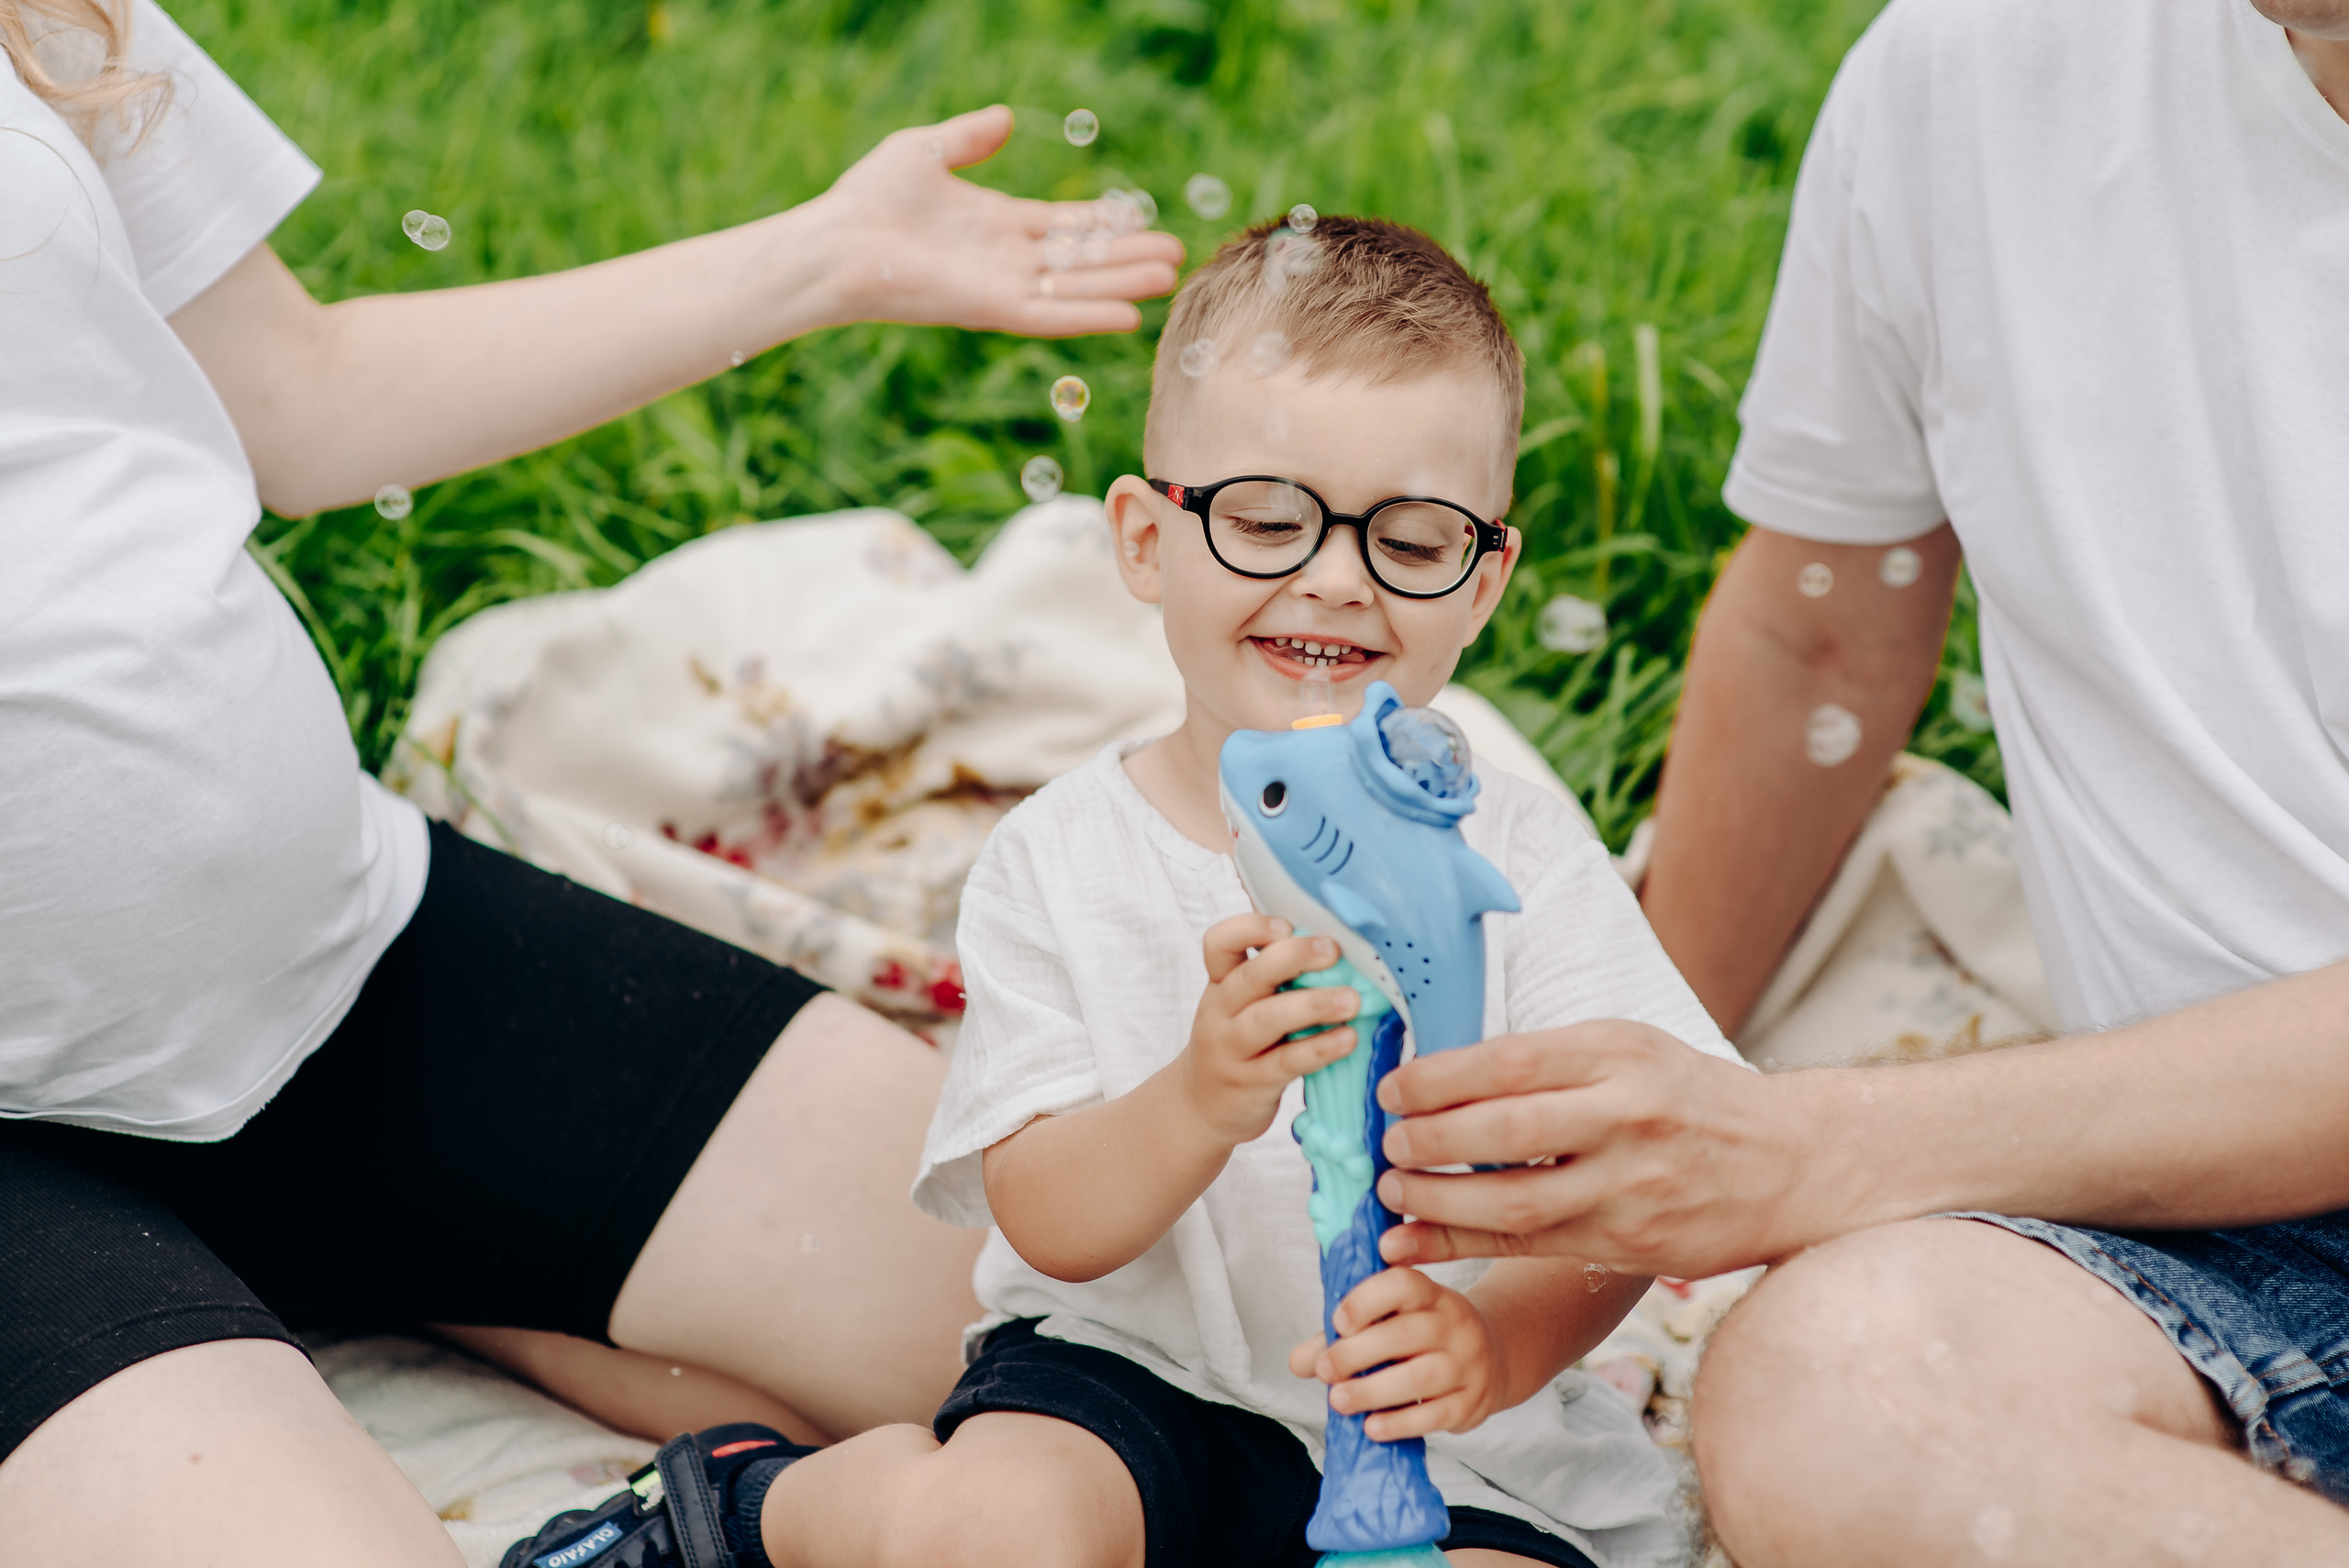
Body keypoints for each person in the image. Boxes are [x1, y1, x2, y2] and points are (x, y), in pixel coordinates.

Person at [0, 0, 1180, 1561]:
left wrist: (832, 255)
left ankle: (425, 1301)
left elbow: (305, 391)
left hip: (340, 965)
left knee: (1133, 1354)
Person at [1330, 2, 2349, 1563]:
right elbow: (1826, 637)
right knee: (1852, 1395)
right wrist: (1613, 1096)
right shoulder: (1981, 64)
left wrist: (1809, 1143)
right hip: (2221, 1227)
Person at [697, 217, 1752, 1568]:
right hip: (1132, 1388)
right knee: (985, 1529)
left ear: (1485, 582)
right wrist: (1198, 1096)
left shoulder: (1518, 859)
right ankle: (767, 1505)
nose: (1333, 576)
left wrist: (1499, 1338)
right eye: (1266, 519)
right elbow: (1051, 1220)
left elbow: (1640, 1187)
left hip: (1455, 1441)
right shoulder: (1062, 854)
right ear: (1146, 540)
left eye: (1412, 541)